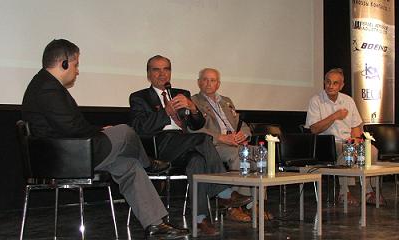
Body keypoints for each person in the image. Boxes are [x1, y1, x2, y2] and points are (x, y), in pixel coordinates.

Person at [21, 39, 189, 239]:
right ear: (64, 63)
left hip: (69, 152)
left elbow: (69, 127)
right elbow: (71, 129)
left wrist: (100, 129)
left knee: (129, 165)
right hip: (65, 157)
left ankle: (155, 224)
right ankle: (150, 163)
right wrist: (100, 132)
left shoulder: (46, 85)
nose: (77, 71)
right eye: (75, 65)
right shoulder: (47, 89)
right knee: (125, 131)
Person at [129, 55, 252, 235]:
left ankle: (200, 219)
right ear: (149, 74)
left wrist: (193, 109)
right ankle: (224, 193)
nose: (162, 74)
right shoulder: (139, 97)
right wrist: (166, 112)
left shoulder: (182, 94)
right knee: (202, 139)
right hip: (160, 144)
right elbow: (139, 128)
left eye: (166, 69)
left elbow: (197, 125)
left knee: (197, 162)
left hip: (185, 143)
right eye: (156, 69)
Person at [191, 68, 273, 222]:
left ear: (218, 84)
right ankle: (234, 207)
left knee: (264, 155)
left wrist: (244, 135)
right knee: (240, 157)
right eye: (205, 79)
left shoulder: (226, 101)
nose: (209, 83)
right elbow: (195, 129)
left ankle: (255, 204)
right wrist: (221, 137)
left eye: (213, 80)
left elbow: (241, 124)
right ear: (199, 82)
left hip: (235, 143)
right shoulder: (194, 102)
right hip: (215, 146)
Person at [305, 68, 382, 206]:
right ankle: (343, 192)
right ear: (324, 82)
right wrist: (334, 116)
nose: (330, 86)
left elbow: (356, 127)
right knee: (348, 151)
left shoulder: (348, 100)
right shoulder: (316, 100)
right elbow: (314, 129)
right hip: (327, 144)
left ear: (341, 86)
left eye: (335, 83)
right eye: (328, 82)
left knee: (372, 150)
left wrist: (357, 140)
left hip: (348, 141)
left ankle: (368, 191)